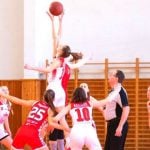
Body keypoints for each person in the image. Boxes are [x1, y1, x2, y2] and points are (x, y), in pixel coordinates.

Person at [0, 88, 69, 150]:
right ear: (53, 99)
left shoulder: (35, 103)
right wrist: (66, 128)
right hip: (33, 133)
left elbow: (17, 101)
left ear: (43, 97)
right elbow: (51, 125)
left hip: (21, 131)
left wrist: (4, 95)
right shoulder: (50, 110)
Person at [102, 70, 130, 150]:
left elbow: (126, 108)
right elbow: (106, 110)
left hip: (117, 124)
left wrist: (120, 126)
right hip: (112, 125)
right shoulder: (112, 92)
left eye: (111, 75)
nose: (109, 76)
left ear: (116, 79)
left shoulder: (120, 91)